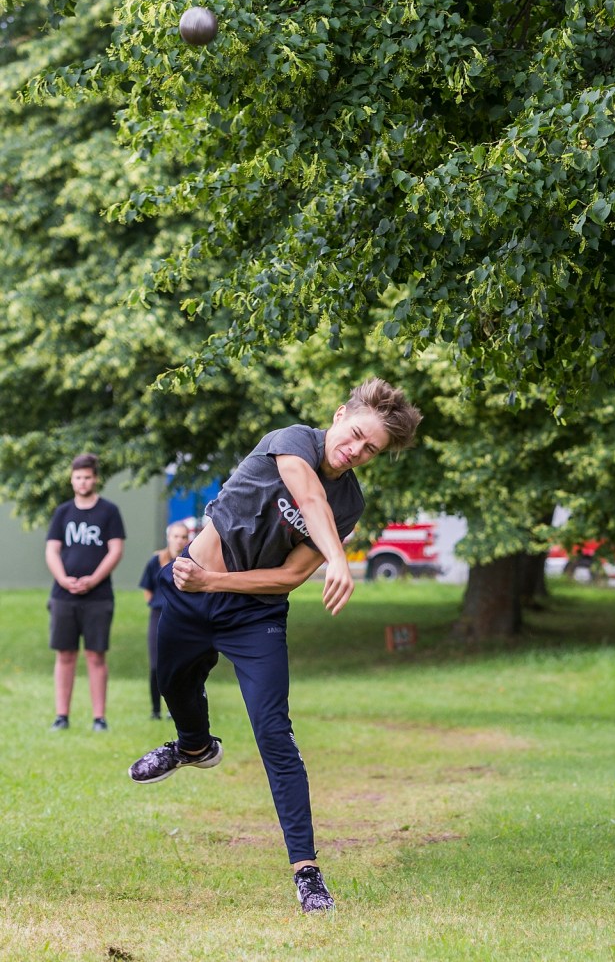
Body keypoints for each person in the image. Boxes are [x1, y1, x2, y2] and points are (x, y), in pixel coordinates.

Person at [128, 378, 422, 912]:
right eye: (356, 434)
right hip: (189, 595)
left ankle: (307, 873)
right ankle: (194, 747)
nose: (354, 450)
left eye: (370, 450)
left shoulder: (349, 503)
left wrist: (214, 584)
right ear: (339, 415)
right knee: (173, 681)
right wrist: (338, 559)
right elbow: (307, 496)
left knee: (274, 734)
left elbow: (287, 577)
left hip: (251, 612)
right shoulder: (289, 441)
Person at [45, 453, 126, 732]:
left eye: (88, 477)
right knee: (65, 654)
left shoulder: (109, 511)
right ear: (72, 480)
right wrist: (64, 579)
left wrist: (92, 580)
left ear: (96, 479)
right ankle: (61, 715)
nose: (83, 482)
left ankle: (99, 718)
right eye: (78, 477)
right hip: (63, 595)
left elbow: (116, 550)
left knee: (95, 655)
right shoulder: (63, 512)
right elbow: (52, 550)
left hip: (98, 596)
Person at [139, 522, 191, 719]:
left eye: (183, 536)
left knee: (180, 665)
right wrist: (156, 603)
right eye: (176, 536)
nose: (180, 540)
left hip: (183, 617)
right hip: (159, 614)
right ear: (168, 537)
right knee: (156, 664)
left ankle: (176, 709)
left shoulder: (191, 560)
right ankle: (155, 709)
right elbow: (147, 588)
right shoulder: (156, 561)